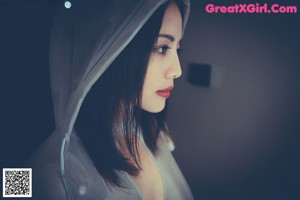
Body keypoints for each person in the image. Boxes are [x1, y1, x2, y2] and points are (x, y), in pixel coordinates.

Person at [28, 0, 193, 199]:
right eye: (161, 48)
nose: (177, 71)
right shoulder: (44, 171)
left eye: (178, 48)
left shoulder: (154, 135)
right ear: (111, 49)